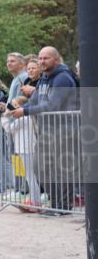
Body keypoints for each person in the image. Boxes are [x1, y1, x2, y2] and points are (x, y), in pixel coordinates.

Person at [9, 46, 81, 213]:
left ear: (56, 59)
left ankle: (61, 207)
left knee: (60, 170)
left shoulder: (63, 78)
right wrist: (16, 109)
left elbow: (52, 105)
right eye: (40, 58)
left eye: (46, 58)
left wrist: (25, 111)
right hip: (46, 130)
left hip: (63, 130)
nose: (41, 61)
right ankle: (56, 204)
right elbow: (34, 101)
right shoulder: (44, 78)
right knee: (40, 167)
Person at [1, 96, 41, 210]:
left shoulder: (23, 118)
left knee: (30, 176)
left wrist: (5, 116)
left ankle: (35, 203)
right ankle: (34, 200)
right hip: (24, 148)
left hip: (26, 148)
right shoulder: (24, 118)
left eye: (16, 106)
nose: (13, 108)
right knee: (30, 176)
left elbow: (9, 129)